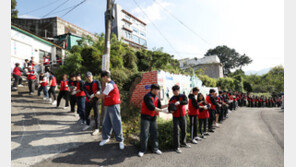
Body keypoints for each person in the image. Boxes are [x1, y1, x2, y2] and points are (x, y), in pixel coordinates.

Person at [95, 70, 124, 150]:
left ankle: (120, 140)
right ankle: (106, 138)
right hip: (108, 106)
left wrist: (96, 95)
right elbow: (104, 93)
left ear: (105, 77)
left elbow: (102, 95)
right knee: (106, 122)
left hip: (114, 105)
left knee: (116, 122)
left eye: (102, 78)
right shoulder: (109, 84)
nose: (102, 80)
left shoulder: (110, 85)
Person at [138, 84, 168, 157]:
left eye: (158, 90)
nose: (158, 91)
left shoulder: (156, 97)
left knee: (154, 134)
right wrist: (162, 111)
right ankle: (142, 150)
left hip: (153, 118)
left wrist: (168, 105)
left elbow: (159, 106)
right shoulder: (147, 96)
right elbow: (151, 107)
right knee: (144, 134)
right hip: (145, 118)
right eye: (157, 90)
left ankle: (155, 148)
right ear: (153, 89)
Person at [168, 85, 190, 153]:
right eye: (174, 91)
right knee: (176, 131)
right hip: (175, 117)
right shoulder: (172, 99)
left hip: (183, 115)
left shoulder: (182, 96)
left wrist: (180, 102)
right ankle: (176, 147)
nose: (175, 92)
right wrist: (170, 111)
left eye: (176, 91)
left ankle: (183, 143)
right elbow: (169, 108)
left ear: (179, 90)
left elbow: (186, 101)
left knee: (184, 129)